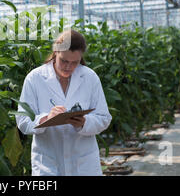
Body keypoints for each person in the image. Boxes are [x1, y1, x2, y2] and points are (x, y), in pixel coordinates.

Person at [16, 29, 112, 176]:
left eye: (75, 62)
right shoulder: (34, 79)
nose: (68, 67)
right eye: (64, 61)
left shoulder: (90, 77)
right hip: (47, 165)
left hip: (84, 165)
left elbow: (104, 118)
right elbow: (23, 121)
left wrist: (83, 122)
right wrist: (46, 118)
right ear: (56, 52)